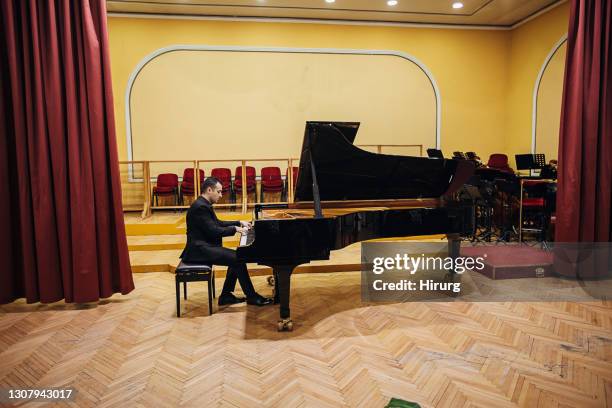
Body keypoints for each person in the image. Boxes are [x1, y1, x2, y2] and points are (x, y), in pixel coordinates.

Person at [180, 177, 273, 306]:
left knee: (235, 258)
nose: (221, 195)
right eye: (218, 192)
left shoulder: (203, 204)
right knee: (238, 258)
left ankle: (226, 296)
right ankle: (251, 296)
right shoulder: (200, 207)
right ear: (209, 189)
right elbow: (214, 231)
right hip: (199, 250)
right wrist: (235, 229)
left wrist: (238, 222)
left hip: (203, 246)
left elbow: (217, 223)